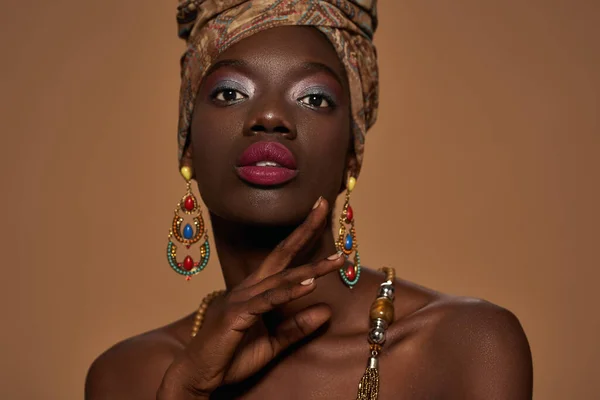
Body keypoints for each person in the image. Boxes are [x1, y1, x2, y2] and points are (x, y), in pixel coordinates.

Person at [85, 1, 533, 399]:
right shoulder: (128, 377)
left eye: (314, 98)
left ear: (351, 159)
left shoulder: (465, 346)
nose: (269, 117)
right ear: (187, 148)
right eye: (230, 93)